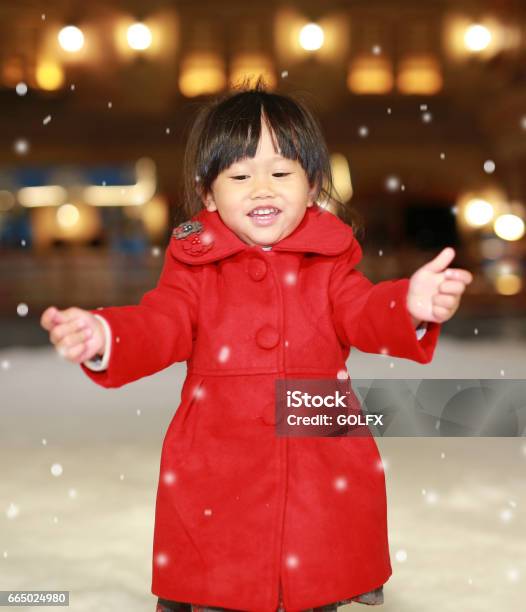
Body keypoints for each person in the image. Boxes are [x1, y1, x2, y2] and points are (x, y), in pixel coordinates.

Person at [40, 77, 473, 611]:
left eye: (281, 173)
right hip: (220, 463)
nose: (261, 189)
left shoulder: (330, 259)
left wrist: (408, 305)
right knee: (222, 580)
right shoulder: (195, 264)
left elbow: (362, 312)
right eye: (240, 175)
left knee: (313, 581)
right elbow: (162, 323)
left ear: (312, 185)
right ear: (208, 193)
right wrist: (107, 335)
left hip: (318, 456)